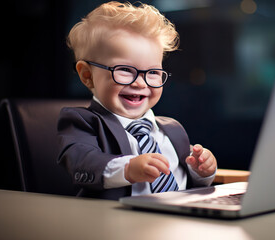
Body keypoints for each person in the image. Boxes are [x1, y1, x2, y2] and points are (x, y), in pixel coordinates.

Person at [57, 1, 217, 200]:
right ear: (87, 75)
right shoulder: (81, 122)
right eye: (124, 70)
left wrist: (201, 172)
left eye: (152, 73)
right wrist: (128, 168)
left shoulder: (172, 129)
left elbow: (184, 180)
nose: (141, 83)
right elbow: (82, 163)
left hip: (178, 218)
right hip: (114, 222)